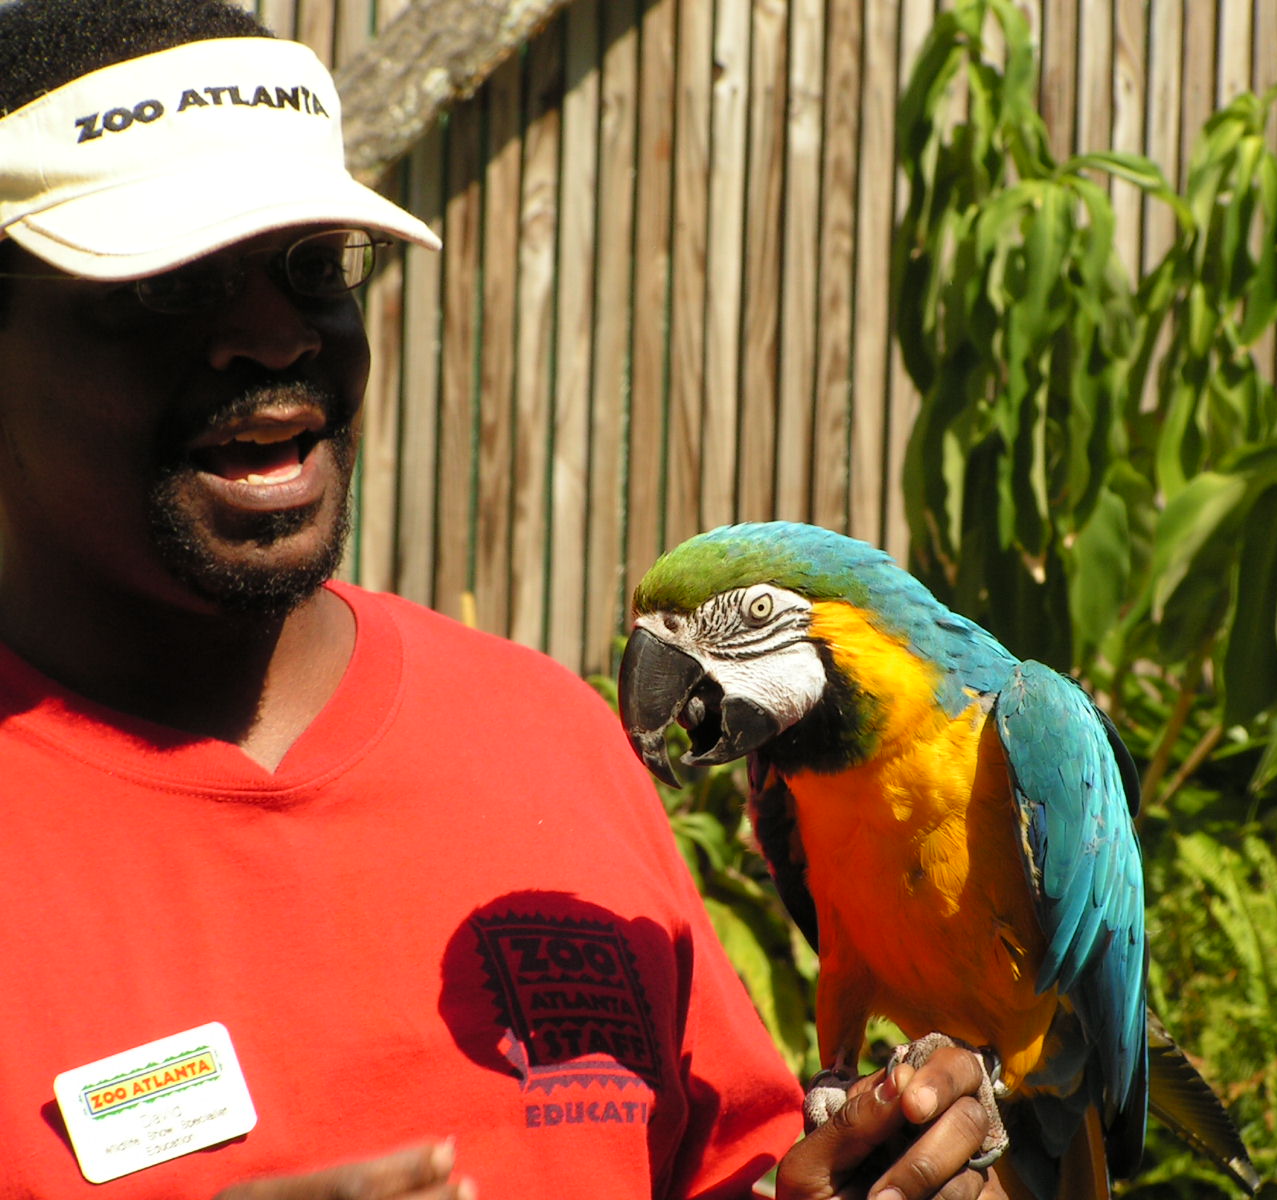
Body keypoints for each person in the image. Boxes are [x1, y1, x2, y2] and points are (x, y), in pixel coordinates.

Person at [0, 2, 1003, 1197]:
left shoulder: (549, 740)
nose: (271, 337)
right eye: (169, 286)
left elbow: (730, 1164)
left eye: (312, 267)